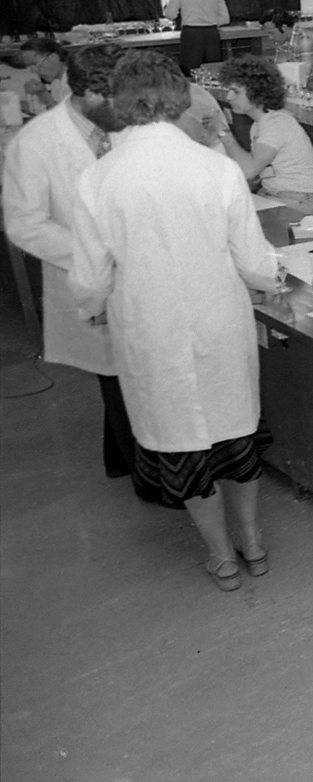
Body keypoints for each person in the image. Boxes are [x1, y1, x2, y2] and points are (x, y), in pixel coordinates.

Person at [69, 50, 279, 590]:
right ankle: (252, 541)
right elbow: (256, 266)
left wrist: (91, 309)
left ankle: (221, 557)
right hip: (219, 324)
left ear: (119, 102)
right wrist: (274, 282)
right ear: (180, 99)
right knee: (236, 438)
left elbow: (90, 279)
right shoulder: (216, 169)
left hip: (150, 331)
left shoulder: (98, 179)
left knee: (184, 445)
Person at [2, 44, 168, 505]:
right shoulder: (35, 143)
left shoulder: (121, 125)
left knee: (125, 369)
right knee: (119, 375)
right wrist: (97, 254)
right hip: (87, 273)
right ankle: (148, 482)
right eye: (119, 98)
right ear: (90, 92)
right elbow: (24, 224)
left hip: (138, 271)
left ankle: (117, 458)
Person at [214, 56, 313, 215]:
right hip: (273, 194)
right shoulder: (260, 124)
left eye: (235, 91)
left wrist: (223, 131)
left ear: (256, 93)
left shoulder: (277, 124)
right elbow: (255, 175)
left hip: (295, 202)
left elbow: (250, 170)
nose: (229, 97)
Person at [162, 0, 230, 71]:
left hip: (191, 33)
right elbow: (225, 18)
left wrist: (166, 9)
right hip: (212, 33)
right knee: (212, 70)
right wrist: (208, 19)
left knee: (190, 70)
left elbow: (171, 14)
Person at [260, 9, 313, 88]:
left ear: (284, 27)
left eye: (271, 33)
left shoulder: (305, 40)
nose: (270, 37)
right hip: (302, 84)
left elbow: (303, 77)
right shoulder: (282, 40)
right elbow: (278, 69)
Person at [16, 36, 69, 115]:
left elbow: (68, 121)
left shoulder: (76, 81)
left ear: (54, 57)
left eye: (34, 64)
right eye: (29, 67)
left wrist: (46, 98)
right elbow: (43, 111)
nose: (33, 70)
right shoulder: (56, 82)